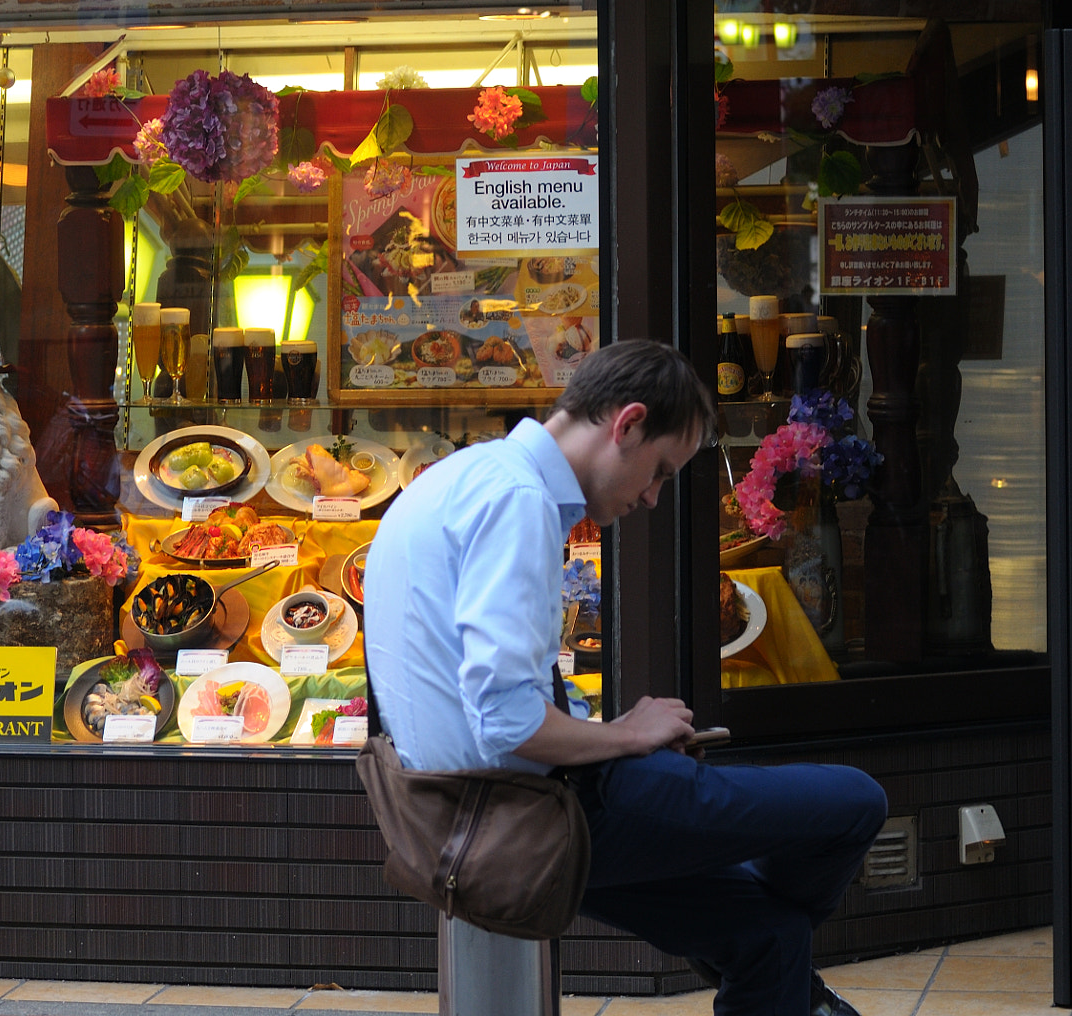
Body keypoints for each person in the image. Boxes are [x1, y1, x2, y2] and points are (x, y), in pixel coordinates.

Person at [364, 338, 887, 1016]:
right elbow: (508, 724)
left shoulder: (462, 477)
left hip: (460, 819)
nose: (653, 498)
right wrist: (625, 734)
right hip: (537, 817)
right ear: (629, 423)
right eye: (661, 471)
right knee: (855, 802)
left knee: (770, 933)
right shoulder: (516, 501)